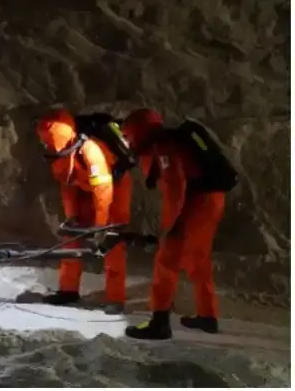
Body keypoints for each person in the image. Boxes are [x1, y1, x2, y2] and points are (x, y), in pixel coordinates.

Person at [122, 108, 225, 340]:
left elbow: (175, 187)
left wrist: (169, 227)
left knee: (166, 261)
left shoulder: (163, 147)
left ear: (138, 131)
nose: (128, 142)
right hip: (211, 199)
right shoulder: (170, 141)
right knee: (199, 258)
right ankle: (207, 316)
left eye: (128, 136)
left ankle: (159, 323)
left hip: (196, 202)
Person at [36, 108, 132, 314]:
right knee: (72, 237)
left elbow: (103, 191)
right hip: (85, 187)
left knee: (112, 241)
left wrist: (100, 226)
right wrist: (72, 216)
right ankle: (68, 290)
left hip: (113, 190)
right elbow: (67, 184)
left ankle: (116, 298)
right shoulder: (61, 151)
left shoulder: (91, 151)